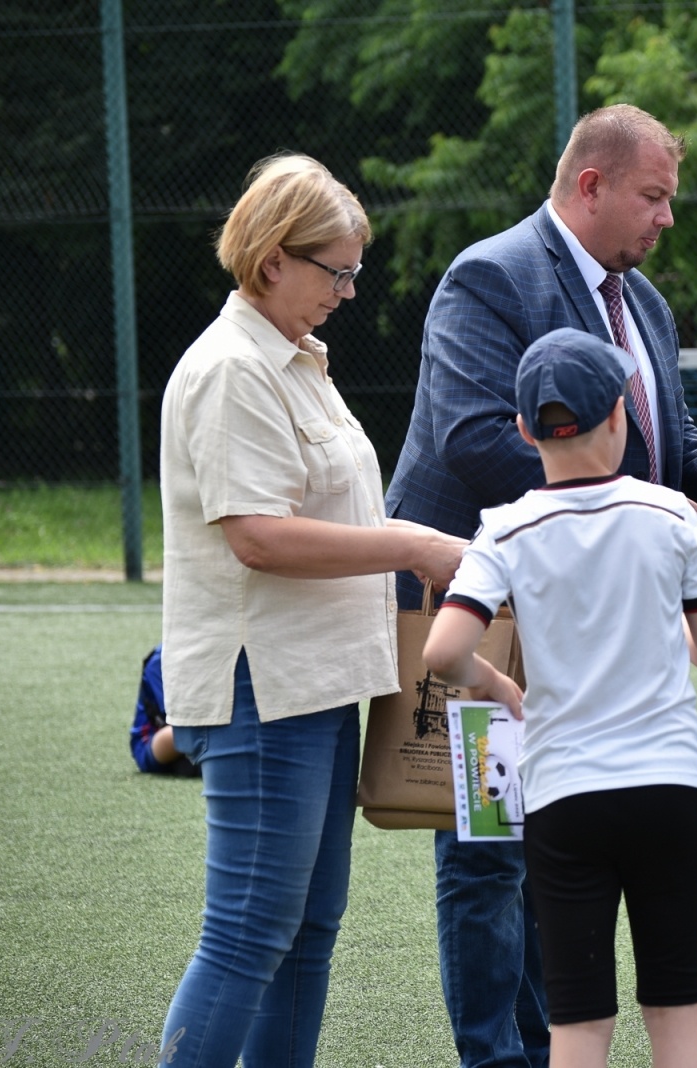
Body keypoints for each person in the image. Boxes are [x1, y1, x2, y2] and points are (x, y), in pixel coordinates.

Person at [384, 103, 697, 1068]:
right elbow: (477, 437)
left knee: (547, 855)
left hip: (569, 602)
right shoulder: (489, 276)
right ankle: (500, 1059)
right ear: (590, 186)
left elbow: (668, 448)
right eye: (654, 196)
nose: (668, 218)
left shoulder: (642, 304)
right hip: (491, 610)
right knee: (486, 856)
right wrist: (616, 526)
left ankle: (544, 1044)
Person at [157, 153, 465, 1068]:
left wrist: (413, 547)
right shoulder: (232, 369)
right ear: (271, 261)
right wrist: (413, 546)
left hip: (321, 683)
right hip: (266, 687)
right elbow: (259, 535)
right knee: (250, 932)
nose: (349, 289)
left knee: (306, 931)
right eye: (337, 270)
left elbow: (332, 515)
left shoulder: (294, 359)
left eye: (354, 269)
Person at [422, 327, 697, 1068]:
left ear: (525, 430)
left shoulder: (502, 529)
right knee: (676, 1006)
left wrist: (501, 687)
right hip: (667, 791)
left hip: (563, 795)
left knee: (578, 1023)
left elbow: (443, 653)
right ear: (618, 417)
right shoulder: (671, 516)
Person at [129, 645, 200, 777]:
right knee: (191, 729)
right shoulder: (162, 659)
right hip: (158, 738)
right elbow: (178, 717)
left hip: (202, 736)